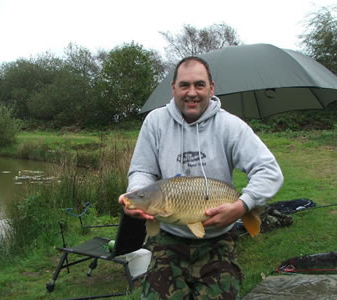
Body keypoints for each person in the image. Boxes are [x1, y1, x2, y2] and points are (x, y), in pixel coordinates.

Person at [119, 56, 284, 299]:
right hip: (170, 237)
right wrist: (137, 194)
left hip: (218, 239)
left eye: (199, 85)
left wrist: (242, 206)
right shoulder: (155, 122)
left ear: (211, 88)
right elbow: (142, 170)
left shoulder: (230, 125)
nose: (192, 93)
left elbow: (269, 171)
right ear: (174, 88)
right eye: (184, 85)